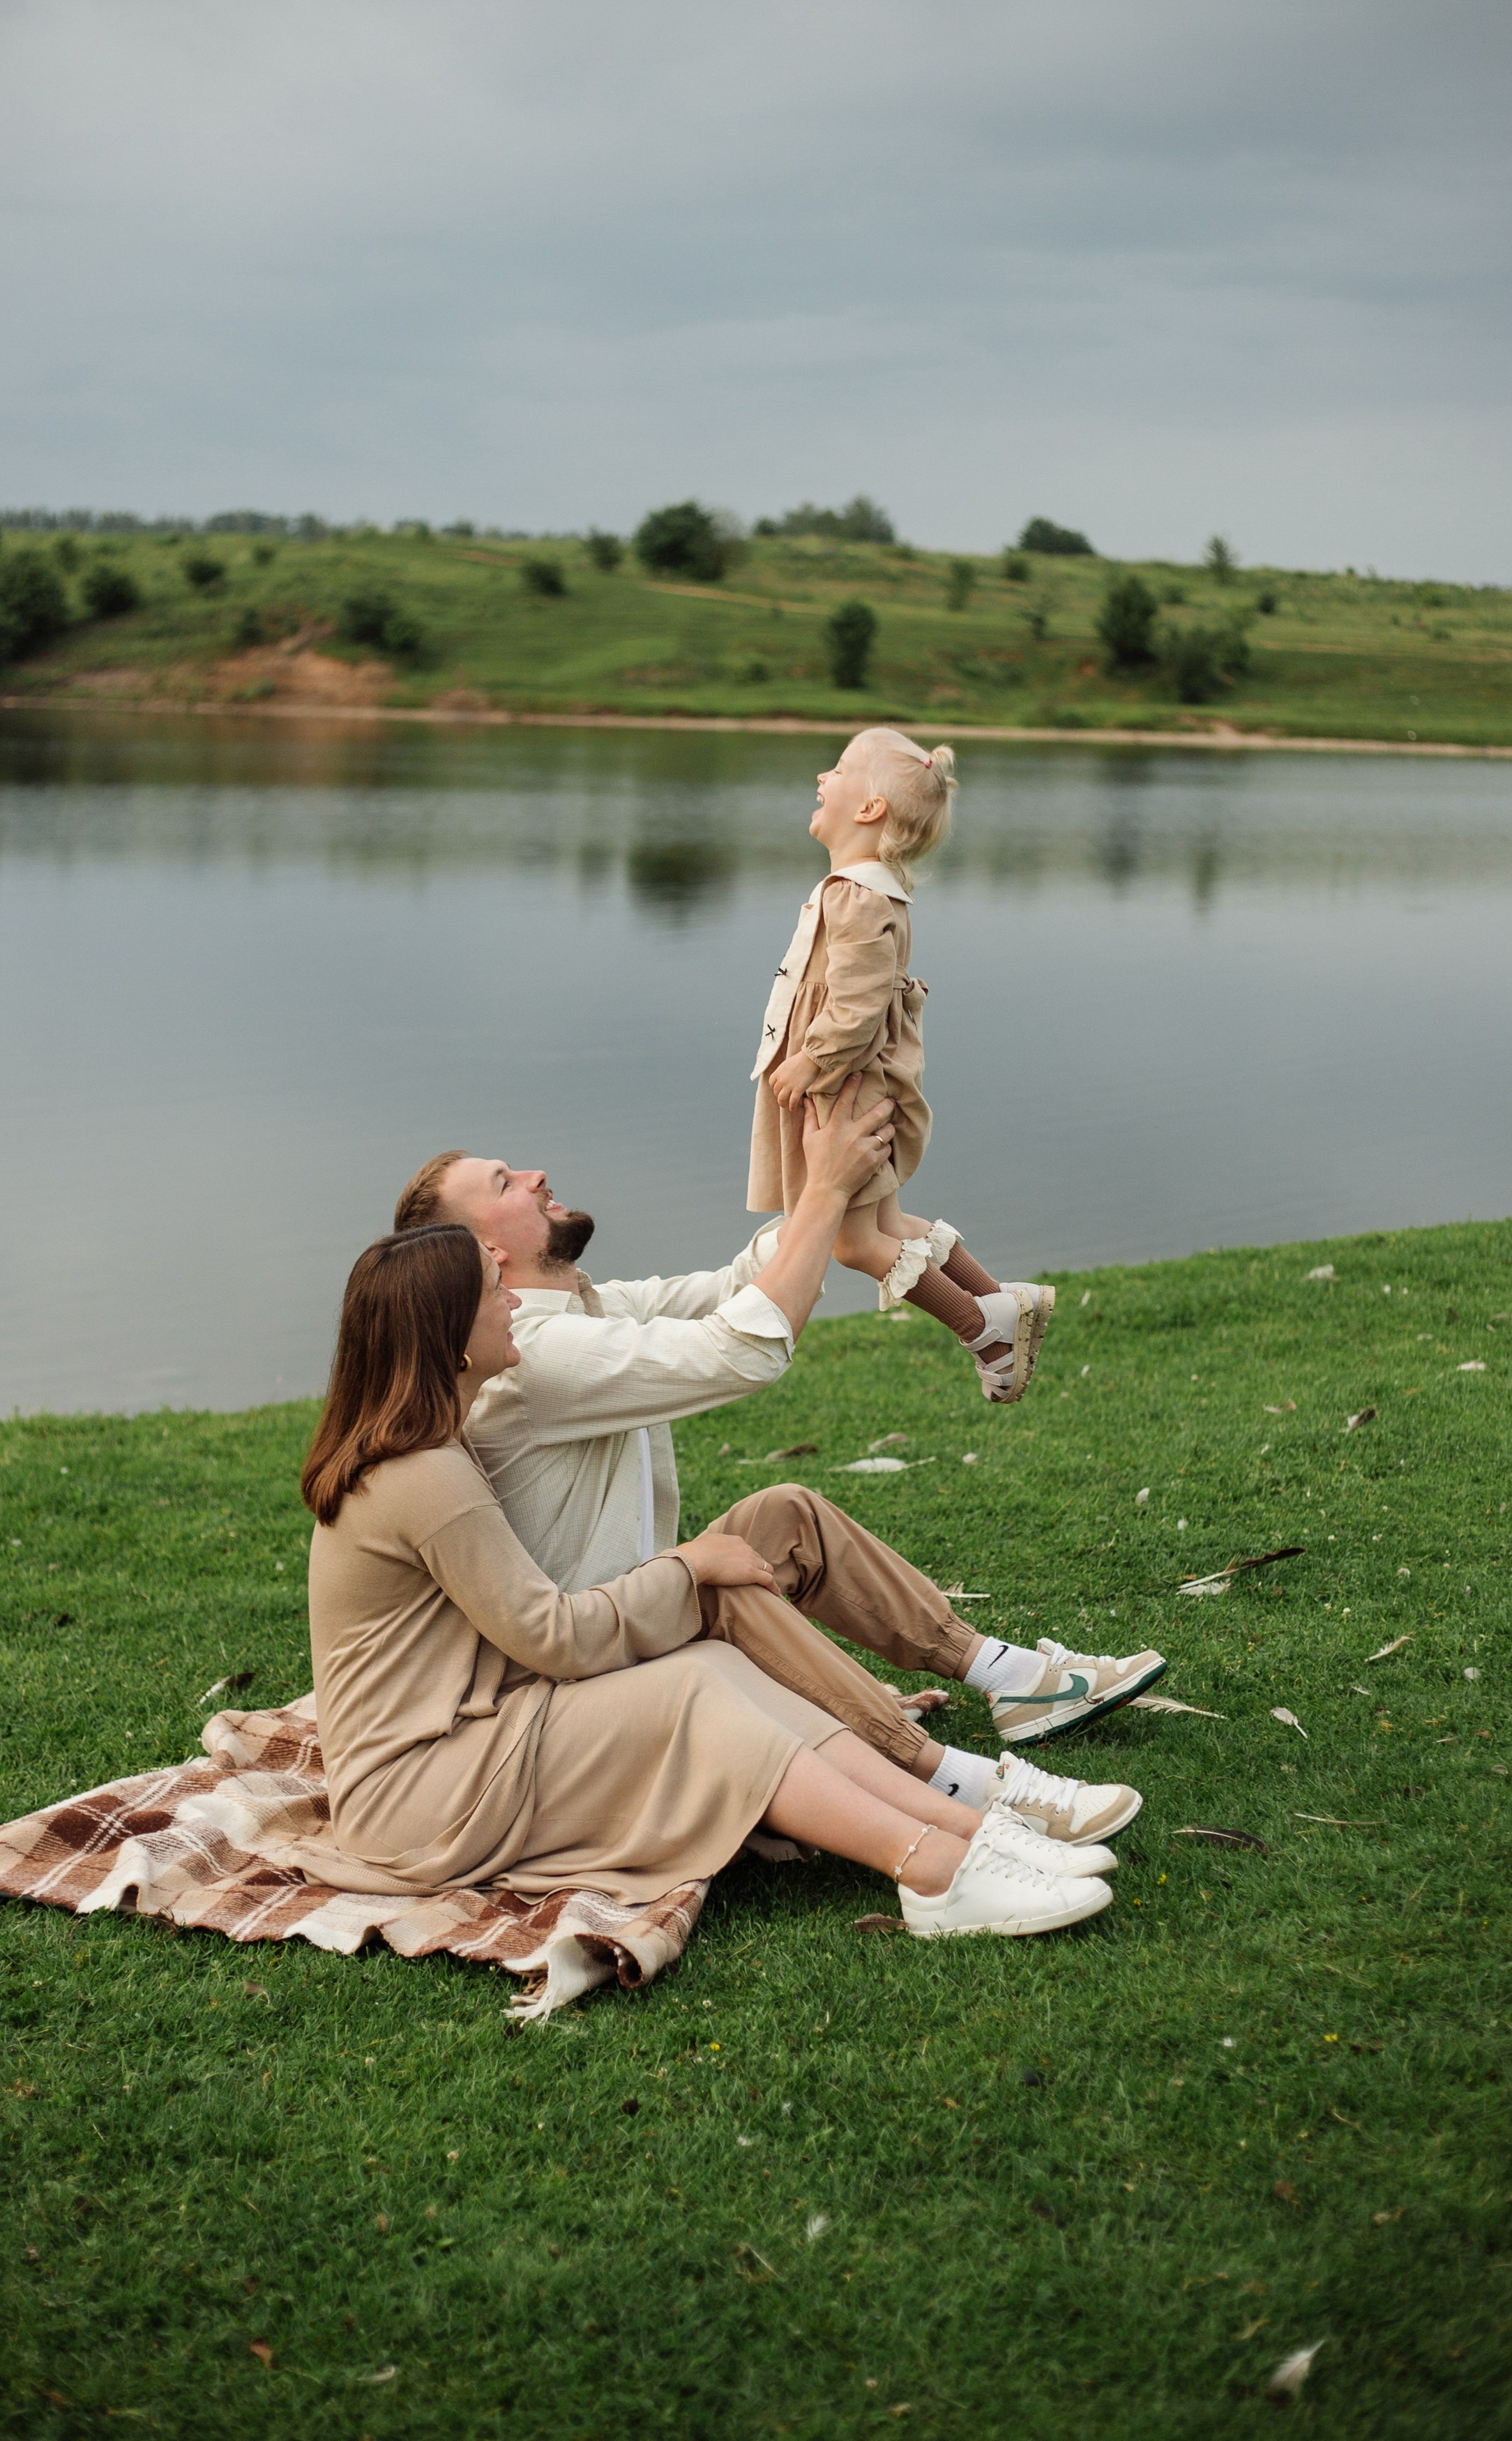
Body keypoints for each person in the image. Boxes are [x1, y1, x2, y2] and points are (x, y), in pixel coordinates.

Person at [298, 1222, 1120, 1939]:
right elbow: (552, 1634)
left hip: (472, 1735)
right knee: (691, 1692)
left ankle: (963, 1822)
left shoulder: (433, 1447)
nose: (513, 1301)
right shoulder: (421, 1472)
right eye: (491, 1291)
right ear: (447, 1332)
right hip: (418, 1792)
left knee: (715, 1666)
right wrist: (688, 1565)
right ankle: (933, 1867)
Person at [391, 1087, 1166, 1831]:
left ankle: (1009, 1677)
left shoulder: (581, 1307)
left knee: (782, 1516)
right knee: (722, 1585)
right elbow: (742, 1350)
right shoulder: (537, 1352)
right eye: (507, 1181)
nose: (536, 1176)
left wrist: (824, 1180)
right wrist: (826, 1195)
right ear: (487, 1247)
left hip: (626, 1615)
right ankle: (944, 1780)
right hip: (583, 1663)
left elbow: (738, 1287)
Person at [751, 727, 1050, 1404]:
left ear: (869, 810)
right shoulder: (865, 889)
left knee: (856, 1244)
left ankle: (986, 1332)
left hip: (844, 1084)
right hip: (861, 1076)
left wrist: (811, 1059)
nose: (821, 776)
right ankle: (1000, 1297)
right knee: (887, 1227)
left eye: (838, 769)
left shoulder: (856, 895)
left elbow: (855, 1006)